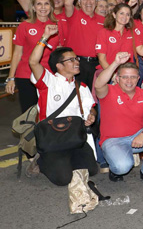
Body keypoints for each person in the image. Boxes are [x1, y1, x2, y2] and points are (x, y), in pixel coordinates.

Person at [29, 25, 98, 185]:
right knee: (63, 179)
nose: (77, 62)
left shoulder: (82, 87)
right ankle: (41, 161)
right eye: (71, 59)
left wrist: (91, 115)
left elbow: (91, 107)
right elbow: (33, 61)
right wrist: (44, 37)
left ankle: (66, 161)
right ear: (59, 65)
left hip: (74, 136)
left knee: (92, 170)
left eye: (76, 58)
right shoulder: (48, 81)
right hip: (53, 137)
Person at [95, 53, 143, 185]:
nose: (129, 81)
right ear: (117, 78)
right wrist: (115, 63)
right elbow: (99, 84)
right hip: (113, 141)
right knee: (122, 167)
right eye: (125, 77)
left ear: (138, 78)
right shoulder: (109, 91)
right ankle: (115, 166)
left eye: (133, 77)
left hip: (137, 138)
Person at [6, 0, 62, 112]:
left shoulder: (57, 25)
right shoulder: (24, 26)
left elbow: (60, 51)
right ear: (33, 7)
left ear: (51, 7)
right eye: (39, 4)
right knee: (29, 115)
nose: (43, 7)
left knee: (48, 114)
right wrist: (11, 78)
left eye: (46, 4)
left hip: (49, 76)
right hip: (26, 75)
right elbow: (17, 53)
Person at [64, 0, 105, 88]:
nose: (88, 2)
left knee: (92, 98)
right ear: (79, 3)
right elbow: (67, 2)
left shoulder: (103, 20)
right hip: (76, 62)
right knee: (75, 96)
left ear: (96, 3)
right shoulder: (74, 15)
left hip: (96, 64)